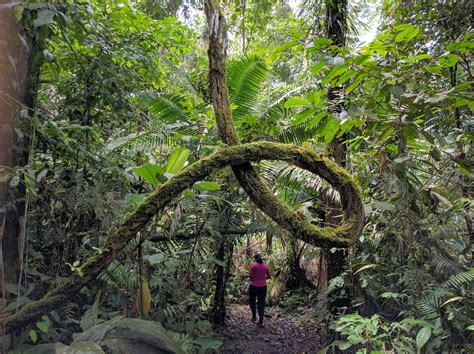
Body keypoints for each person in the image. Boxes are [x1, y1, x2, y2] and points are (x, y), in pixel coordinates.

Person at [248, 252, 271, 328]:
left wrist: (255, 278)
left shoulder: (253, 265)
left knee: (252, 301)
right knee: (261, 303)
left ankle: (254, 316)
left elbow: (250, 276)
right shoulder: (265, 266)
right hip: (263, 287)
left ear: (255, 259)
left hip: (253, 286)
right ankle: (260, 321)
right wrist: (262, 278)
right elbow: (269, 276)